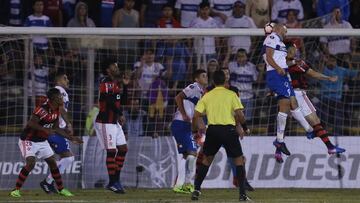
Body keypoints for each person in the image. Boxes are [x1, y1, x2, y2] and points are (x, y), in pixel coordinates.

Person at [275, 43, 346, 162]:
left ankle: (278, 152)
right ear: (286, 52)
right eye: (292, 50)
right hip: (298, 94)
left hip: (284, 96)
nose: (295, 52)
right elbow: (312, 73)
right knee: (316, 121)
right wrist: (328, 78)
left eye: (295, 50)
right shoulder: (297, 63)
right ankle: (329, 146)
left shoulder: (277, 64)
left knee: (283, 123)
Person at [10, 88, 82, 198]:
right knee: (31, 163)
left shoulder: (57, 109)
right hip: (28, 140)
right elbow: (31, 123)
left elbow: (56, 128)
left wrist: (71, 138)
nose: (62, 98)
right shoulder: (42, 109)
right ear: (53, 98)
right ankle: (15, 190)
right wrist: (45, 130)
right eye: (59, 96)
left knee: (53, 163)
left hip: (42, 141)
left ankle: (61, 189)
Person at [191, 70, 251, 201]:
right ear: (225, 81)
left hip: (212, 131)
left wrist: (195, 130)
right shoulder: (231, 94)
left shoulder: (207, 95)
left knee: (206, 160)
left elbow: (196, 115)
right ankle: (242, 194)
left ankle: (196, 190)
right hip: (229, 131)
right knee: (239, 161)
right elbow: (240, 114)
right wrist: (245, 127)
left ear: (213, 82)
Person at [263, 23, 313, 158]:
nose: (286, 33)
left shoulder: (281, 43)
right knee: (287, 104)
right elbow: (269, 57)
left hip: (282, 74)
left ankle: (303, 131)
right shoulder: (272, 37)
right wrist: (278, 68)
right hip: (276, 74)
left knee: (290, 103)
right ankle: (283, 139)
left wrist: (293, 63)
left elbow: (282, 60)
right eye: (285, 31)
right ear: (279, 28)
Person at [94, 62, 129, 194]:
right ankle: (113, 183)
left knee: (123, 149)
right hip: (105, 122)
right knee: (111, 151)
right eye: (113, 65)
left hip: (114, 122)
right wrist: (120, 114)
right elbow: (108, 101)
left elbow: (123, 101)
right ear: (108, 69)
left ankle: (115, 181)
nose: (117, 67)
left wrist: (125, 86)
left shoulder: (116, 84)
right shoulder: (105, 81)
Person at [171, 69, 207, 194]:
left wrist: (198, 127)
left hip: (185, 126)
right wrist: (184, 114)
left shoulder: (201, 92)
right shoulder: (194, 87)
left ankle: (182, 185)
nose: (206, 78)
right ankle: (185, 184)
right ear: (196, 79)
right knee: (192, 153)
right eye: (203, 76)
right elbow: (178, 97)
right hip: (180, 123)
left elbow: (197, 114)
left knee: (187, 155)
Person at [39, 72, 75, 193]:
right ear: (58, 81)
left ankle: (48, 182)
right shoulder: (59, 90)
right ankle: (48, 182)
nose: (68, 80)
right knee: (68, 158)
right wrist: (68, 124)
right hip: (54, 129)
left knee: (66, 158)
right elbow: (60, 109)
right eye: (65, 78)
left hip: (50, 128)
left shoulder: (56, 91)